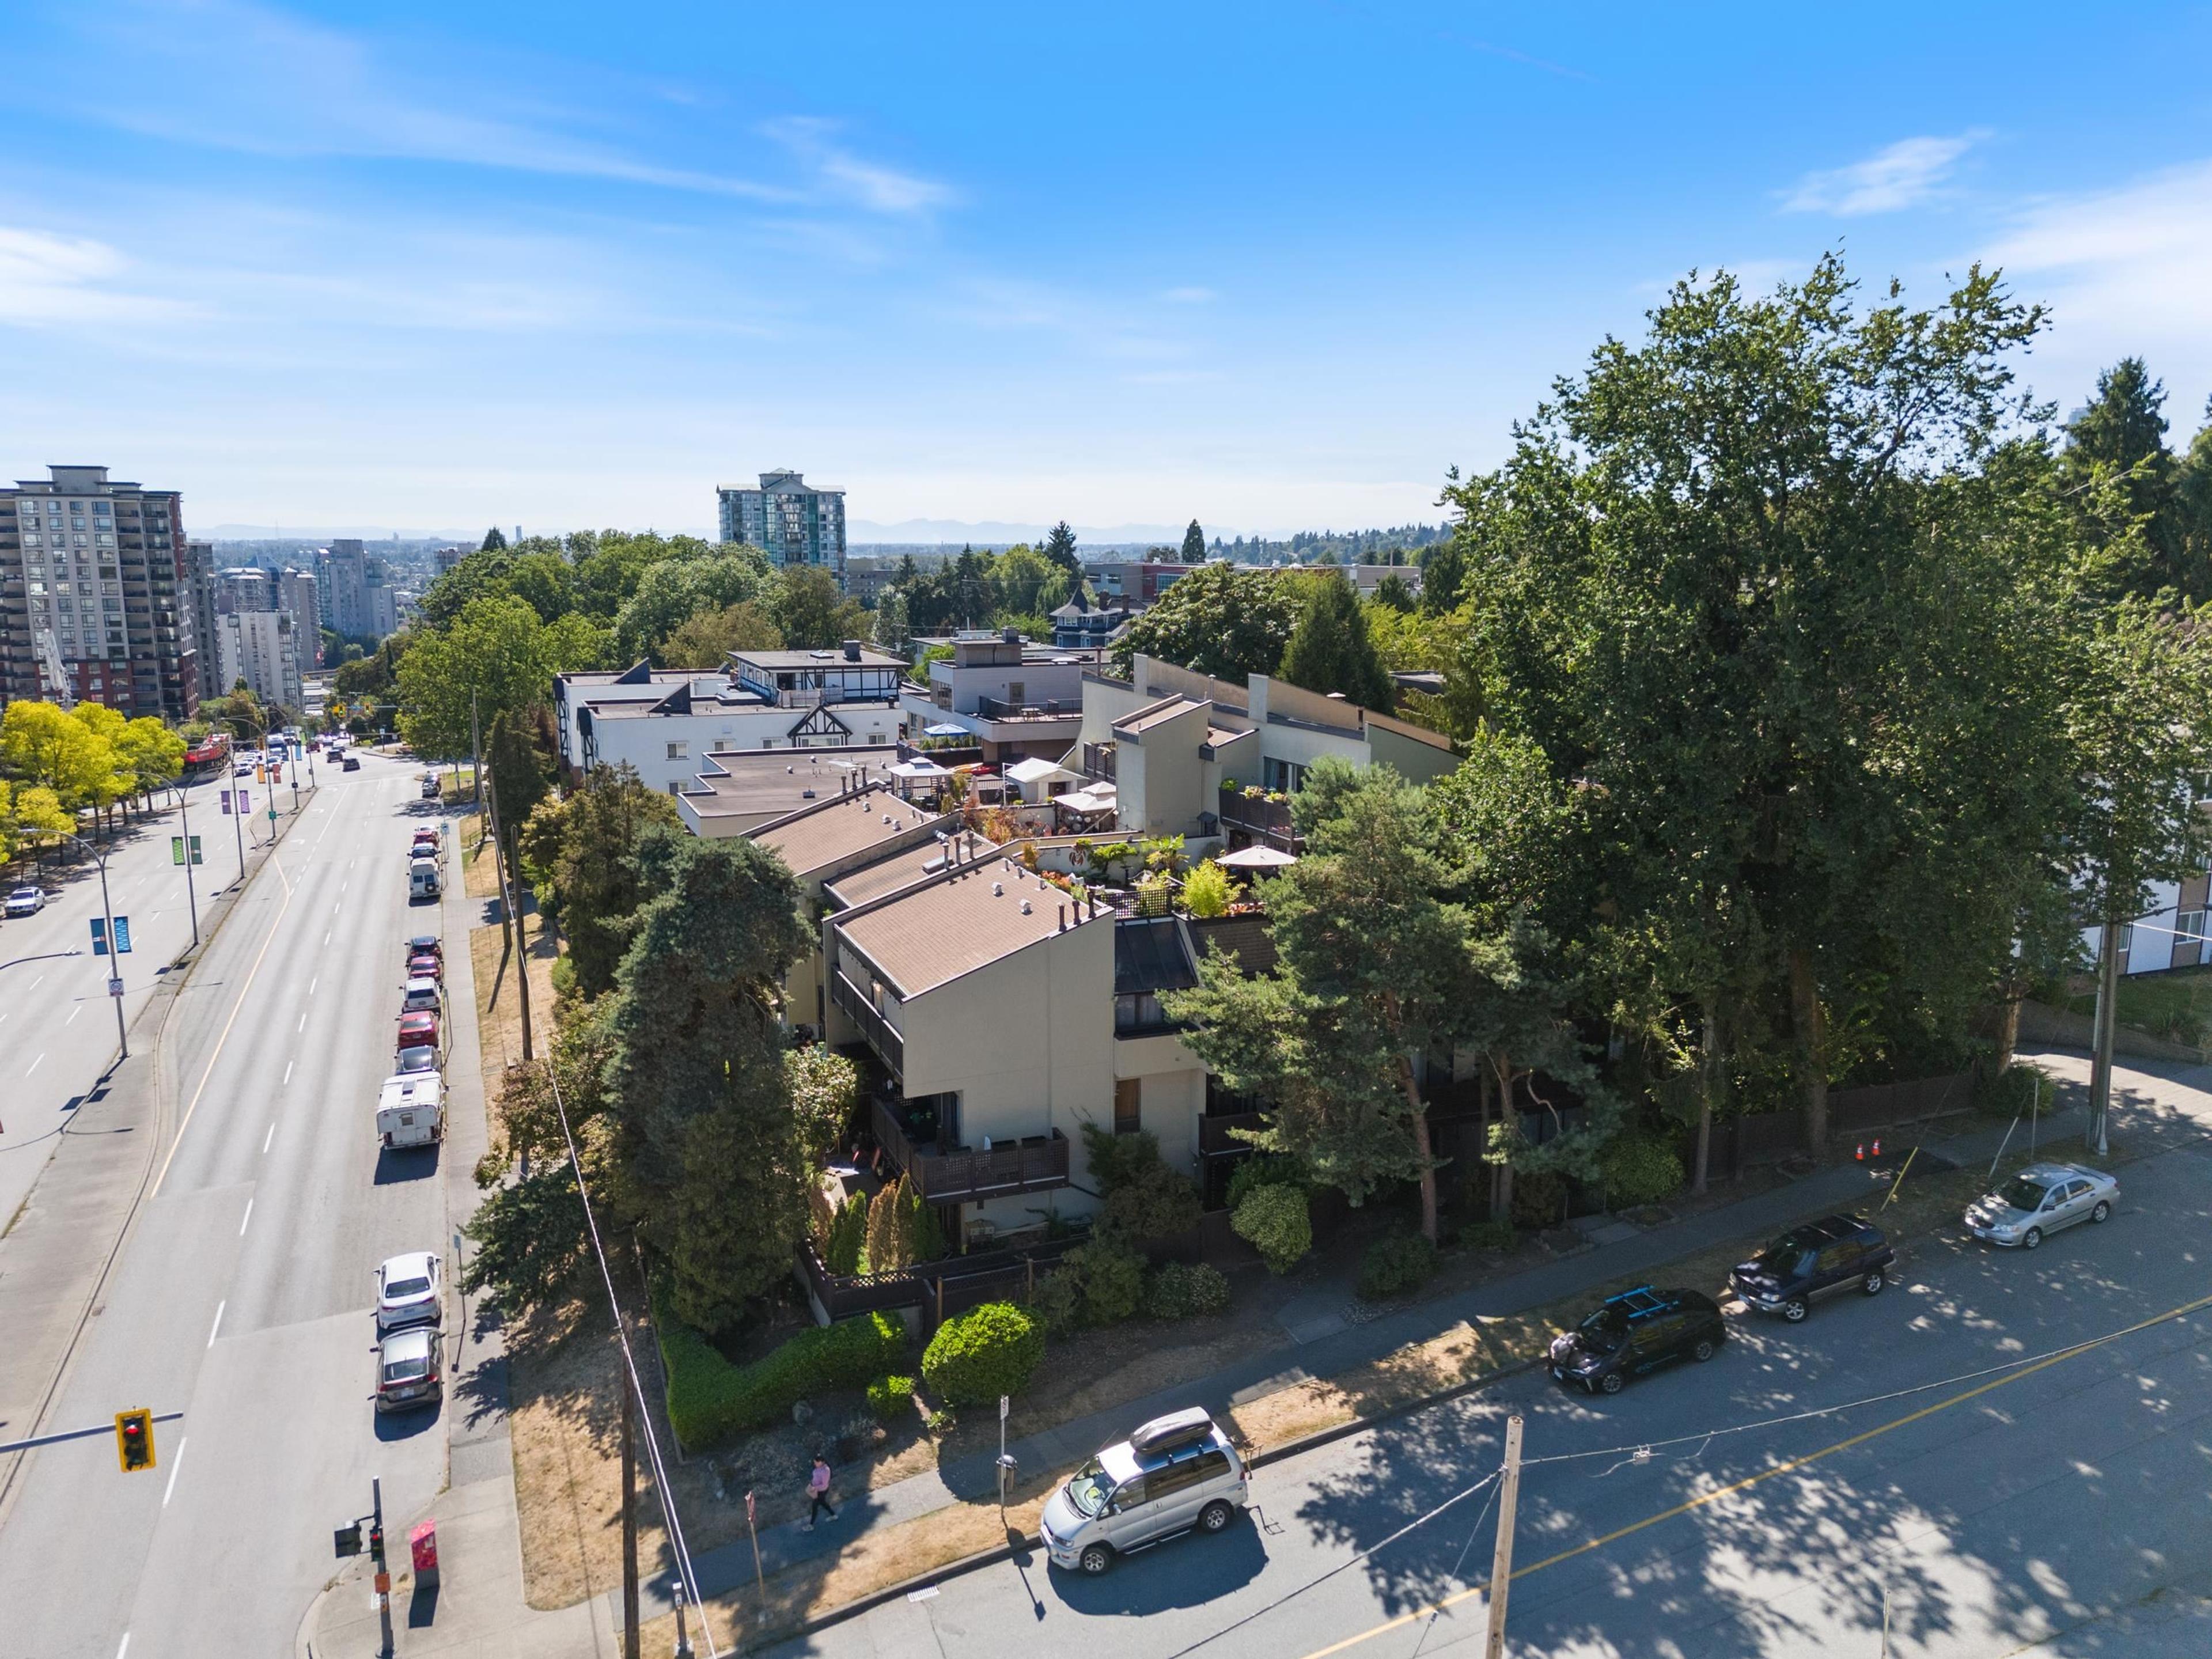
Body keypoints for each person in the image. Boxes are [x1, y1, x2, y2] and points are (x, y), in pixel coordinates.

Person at [802, 1455, 837, 1530]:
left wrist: (815, 1488)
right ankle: (833, 1515)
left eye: (816, 1463)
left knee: (815, 1506)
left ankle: (811, 1525)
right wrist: (812, 1484)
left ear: (821, 1462)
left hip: (822, 1491)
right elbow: (815, 1477)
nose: (815, 1464)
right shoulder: (818, 1468)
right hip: (816, 1490)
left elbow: (824, 1484)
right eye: (814, 1463)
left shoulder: (826, 1470)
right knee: (823, 1503)